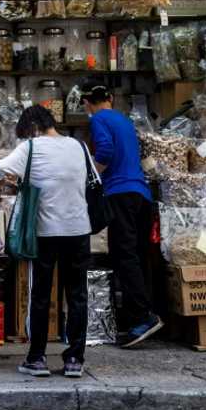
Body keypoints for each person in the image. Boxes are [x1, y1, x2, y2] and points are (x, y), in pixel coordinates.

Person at [0, 105, 93, 378]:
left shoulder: (31, 147)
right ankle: (74, 359)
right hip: (79, 229)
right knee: (77, 295)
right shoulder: (78, 146)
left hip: (47, 232)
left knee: (40, 294)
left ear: (33, 128)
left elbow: (0, 168)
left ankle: (36, 358)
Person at [80, 80, 162, 348]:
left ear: (87, 103)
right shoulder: (124, 120)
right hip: (141, 195)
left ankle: (143, 317)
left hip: (120, 194)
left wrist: (91, 176)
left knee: (122, 254)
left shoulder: (98, 119)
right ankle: (136, 319)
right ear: (111, 98)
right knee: (136, 256)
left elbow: (105, 151)